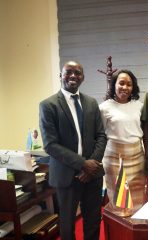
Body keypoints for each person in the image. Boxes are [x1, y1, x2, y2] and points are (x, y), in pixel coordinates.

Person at [39, 61, 107, 240]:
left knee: (93, 220)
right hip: (66, 175)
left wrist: (91, 166)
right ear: (60, 75)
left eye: (78, 72)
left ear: (83, 77)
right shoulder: (48, 105)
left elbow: (101, 136)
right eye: (68, 72)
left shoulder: (91, 103)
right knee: (67, 224)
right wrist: (83, 164)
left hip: (92, 176)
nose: (73, 76)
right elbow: (50, 145)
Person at [99, 69, 144, 208]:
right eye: (121, 83)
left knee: (138, 198)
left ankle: (136, 226)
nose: (125, 87)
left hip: (137, 157)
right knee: (119, 200)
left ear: (133, 87)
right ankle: (120, 228)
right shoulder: (104, 107)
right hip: (114, 159)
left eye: (129, 84)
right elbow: (100, 135)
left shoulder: (139, 106)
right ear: (114, 85)